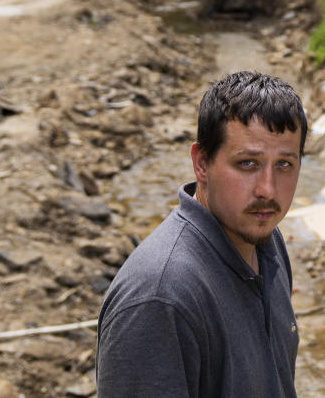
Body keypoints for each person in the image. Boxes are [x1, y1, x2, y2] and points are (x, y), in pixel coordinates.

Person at [96, 71, 306, 397]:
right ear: (201, 164)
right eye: (248, 163)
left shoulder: (266, 241)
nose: (268, 189)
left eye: (284, 165)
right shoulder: (160, 298)